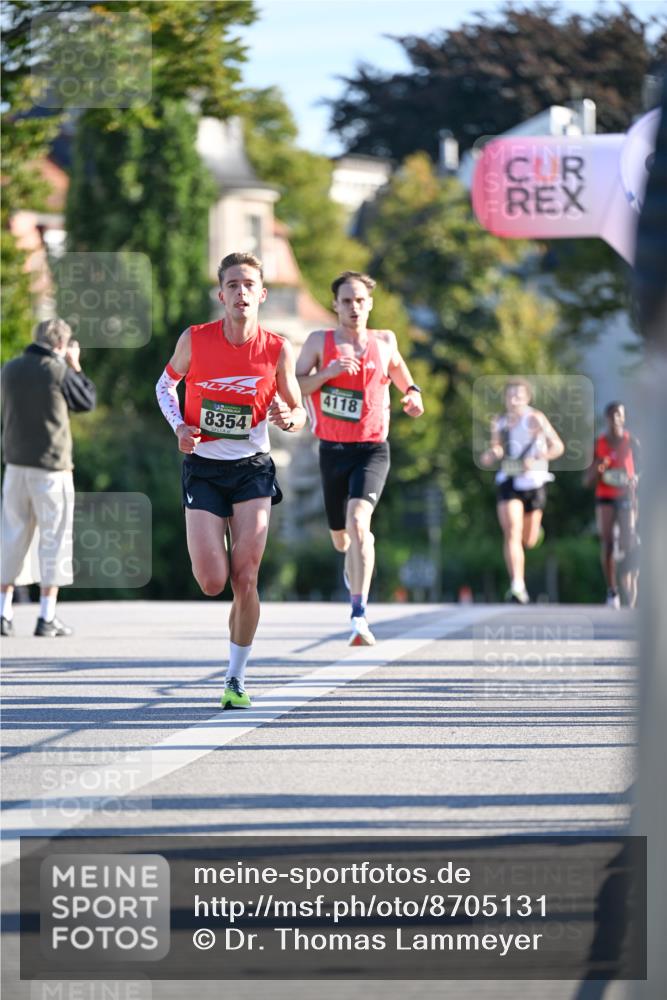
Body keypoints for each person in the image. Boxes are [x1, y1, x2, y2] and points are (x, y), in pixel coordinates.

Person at [155, 251, 305, 709]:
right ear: (222, 294)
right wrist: (180, 426)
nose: (241, 293)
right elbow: (164, 385)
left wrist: (289, 417)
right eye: (233, 285)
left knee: (247, 576)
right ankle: (233, 645)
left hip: (252, 469)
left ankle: (235, 679)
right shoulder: (196, 340)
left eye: (249, 285)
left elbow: (298, 410)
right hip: (203, 467)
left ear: (262, 294)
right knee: (212, 581)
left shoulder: (277, 348)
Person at [295, 270, 424, 645]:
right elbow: (295, 384)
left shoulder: (384, 340)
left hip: (372, 449)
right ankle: (352, 563)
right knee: (341, 539)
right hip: (332, 450)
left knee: (359, 523)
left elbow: (398, 367)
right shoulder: (319, 341)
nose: (354, 307)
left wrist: (412, 392)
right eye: (347, 301)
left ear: (370, 304)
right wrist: (329, 373)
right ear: (335, 304)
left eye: (360, 301)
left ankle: (359, 615)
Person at [1, 318, 96, 636]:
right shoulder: (57, 370)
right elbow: (86, 401)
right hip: (52, 469)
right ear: (61, 345)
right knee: (54, 539)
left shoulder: (10, 369)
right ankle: (46, 616)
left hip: (14, 465)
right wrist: (76, 365)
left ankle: (4, 612)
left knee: (12, 537)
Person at [480, 377, 564, 604]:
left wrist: (537, 458)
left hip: (534, 482)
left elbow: (558, 446)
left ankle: (535, 534)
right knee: (511, 531)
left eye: (519, 395)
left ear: (527, 398)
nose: (514, 399)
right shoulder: (499, 422)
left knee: (528, 539)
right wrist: (493, 454)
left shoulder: (536, 418)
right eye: (510, 395)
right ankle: (517, 585)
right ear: (505, 399)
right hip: (509, 480)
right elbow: (496, 446)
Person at [584, 402, 640, 609]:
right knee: (607, 542)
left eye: (619, 415)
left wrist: (636, 479)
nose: (615, 419)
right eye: (611, 415)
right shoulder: (598, 443)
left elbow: (644, 469)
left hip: (626, 497)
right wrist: (598, 471)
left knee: (628, 543)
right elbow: (587, 480)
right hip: (605, 497)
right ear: (606, 418)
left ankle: (630, 585)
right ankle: (612, 590)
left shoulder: (631, 441)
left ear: (624, 418)